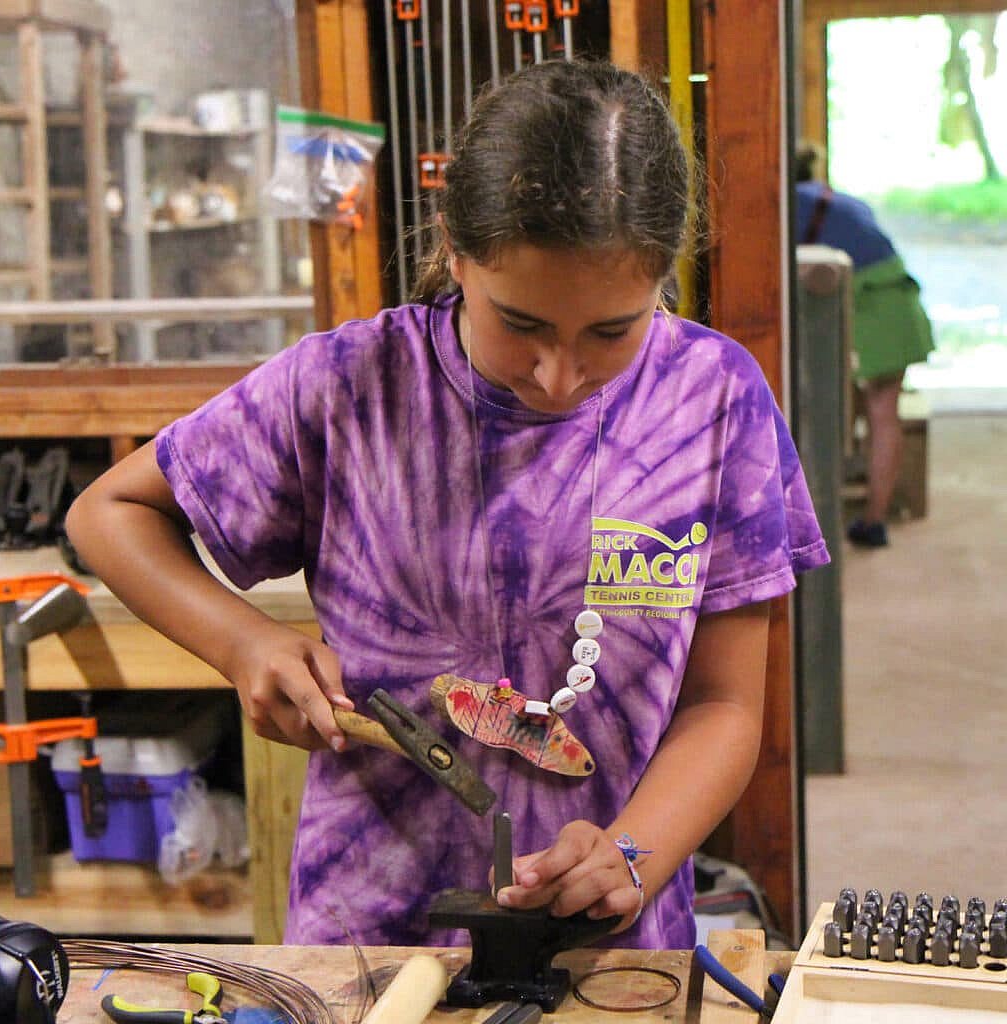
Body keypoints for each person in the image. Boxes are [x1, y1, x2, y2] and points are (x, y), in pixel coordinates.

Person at [66, 60, 829, 950]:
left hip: (607, 953)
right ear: (454, 248)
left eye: (611, 332)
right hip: (372, 938)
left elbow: (726, 710)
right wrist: (244, 643)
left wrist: (632, 852)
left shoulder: (714, 400)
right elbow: (109, 513)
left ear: (663, 273)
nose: (559, 375)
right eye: (524, 323)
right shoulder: (349, 387)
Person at [795, 141, 935, 548]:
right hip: (901, 302)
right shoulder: (840, 199)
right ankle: (873, 520)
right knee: (882, 412)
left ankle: (832, 511)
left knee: (854, 409)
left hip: (871, 305)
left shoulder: (787, 203)